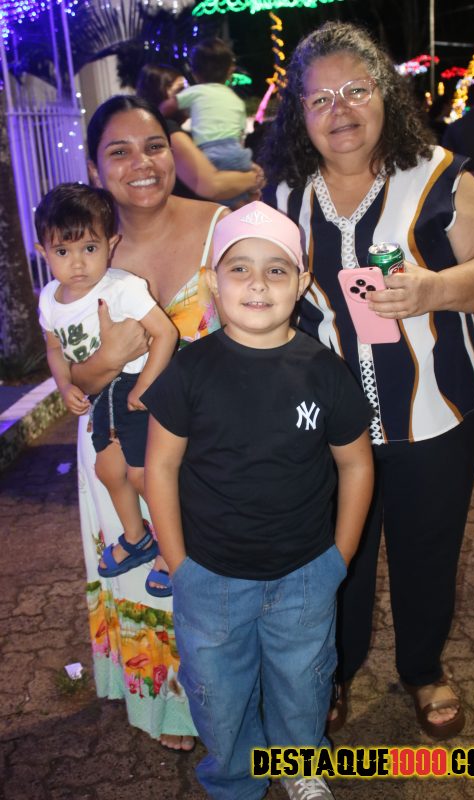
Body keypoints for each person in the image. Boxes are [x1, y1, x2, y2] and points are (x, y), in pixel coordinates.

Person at [261, 21, 474, 740]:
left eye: (355, 90)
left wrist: (435, 288)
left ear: (385, 94)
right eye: (320, 99)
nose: (339, 110)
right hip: (323, 423)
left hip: (437, 409)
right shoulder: (282, 196)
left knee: (427, 547)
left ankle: (422, 669)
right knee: (331, 556)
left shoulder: (436, 175)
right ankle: (332, 670)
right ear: (299, 113)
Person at [142, 200, 374, 800]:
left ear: (302, 283)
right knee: (218, 692)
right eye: (239, 268)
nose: (257, 284)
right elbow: (160, 466)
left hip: (305, 574)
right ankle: (234, 779)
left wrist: (341, 556)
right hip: (210, 576)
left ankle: (299, 765)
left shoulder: (325, 371)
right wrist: (178, 560)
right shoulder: (188, 372)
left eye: (276, 270)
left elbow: (355, 463)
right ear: (210, 281)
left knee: (305, 681)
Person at [71, 94, 227, 751]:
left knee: (217, 584)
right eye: (119, 151)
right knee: (147, 579)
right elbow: (74, 382)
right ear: (94, 167)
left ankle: (236, 699)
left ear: (174, 151)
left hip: (214, 450)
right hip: (118, 450)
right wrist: (108, 359)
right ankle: (171, 706)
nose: (141, 163)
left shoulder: (222, 227)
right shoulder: (81, 252)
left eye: (154, 146)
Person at [36, 183, 178, 587]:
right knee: (108, 470)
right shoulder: (49, 299)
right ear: (43, 252)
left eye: (89, 248)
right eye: (63, 252)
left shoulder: (121, 288)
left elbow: (165, 334)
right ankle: (137, 538)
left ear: (111, 244)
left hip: (136, 386)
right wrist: (65, 385)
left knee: (143, 476)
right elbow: (54, 348)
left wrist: (145, 386)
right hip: (102, 395)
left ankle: (173, 549)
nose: (78, 263)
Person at [136, 62, 263, 203]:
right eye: (180, 90)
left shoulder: (174, 131)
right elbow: (212, 185)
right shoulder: (168, 130)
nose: (188, 94)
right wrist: (253, 177)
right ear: (161, 95)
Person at [160, 37, 252, 204]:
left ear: (195, 73)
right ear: (229, 71)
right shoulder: (236, 100)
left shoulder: (195, 92)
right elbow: (240, 135)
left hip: (209, 154)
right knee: (239, 195)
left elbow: (168, 106)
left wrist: (158, 115)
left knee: (218, 201)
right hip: (236, 152)